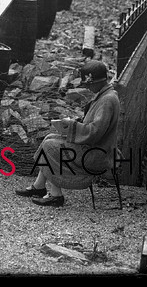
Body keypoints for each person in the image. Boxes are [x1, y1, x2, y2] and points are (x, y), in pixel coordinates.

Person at [14, 60, 120, 207]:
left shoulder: (107, 100)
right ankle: (39, 186)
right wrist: (73, 124)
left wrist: (72, 126)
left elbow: (95, 132)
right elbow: (94, 128)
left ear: (98, 81)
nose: (88, 88)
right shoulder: (105, 95)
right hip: (95, 147)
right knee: (49, 138)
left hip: (96, 154)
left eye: (89, 85)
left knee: (51, 146)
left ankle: (55, 195)